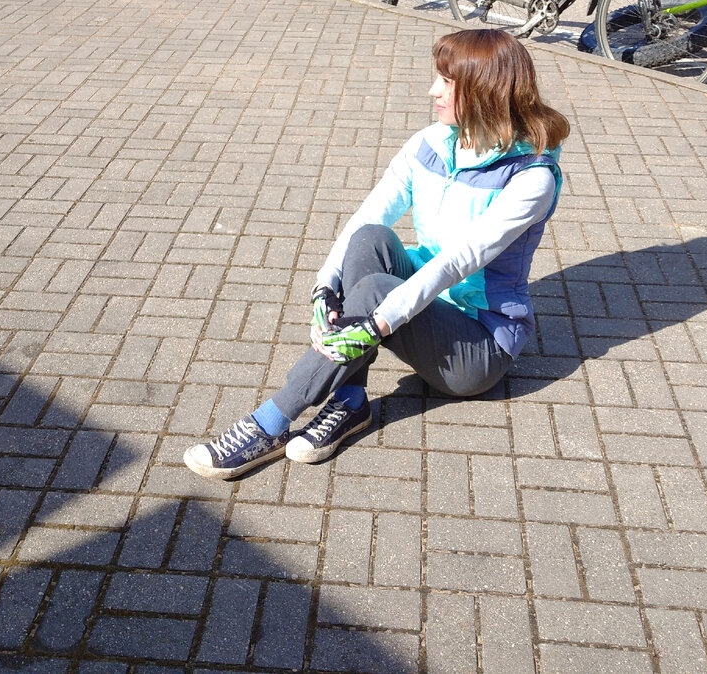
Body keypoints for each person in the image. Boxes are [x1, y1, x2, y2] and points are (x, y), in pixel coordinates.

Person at [184, 29, 569, 479]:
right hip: (424, 306)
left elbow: (458, 262)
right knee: (370, 239)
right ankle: (350, 403)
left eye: (447, 82)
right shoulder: (431, 143)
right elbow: (367, 217)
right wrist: (325, 285)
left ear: (484, 92)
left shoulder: (531, 179)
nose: (433, 91)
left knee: (376, 292)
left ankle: (269, 423)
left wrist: (376, 321)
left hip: (479, 349)